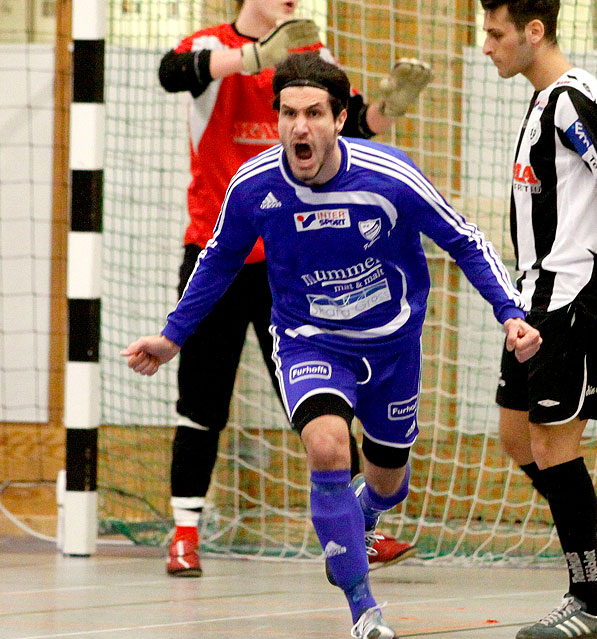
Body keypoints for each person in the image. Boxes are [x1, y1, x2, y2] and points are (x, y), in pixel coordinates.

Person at [123, 52, 541, 639]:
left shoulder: (390, 176)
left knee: (388, 483)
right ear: (278, 122)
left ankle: (358, 518)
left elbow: (464, 239)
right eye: (289, 114)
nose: (300, 127)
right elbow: (216, 262)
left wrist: (510, 312)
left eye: (314, 113)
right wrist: (172, 336)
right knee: (325, 446)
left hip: (392, 345)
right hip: (309, 341)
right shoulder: (254, 187)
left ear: (339, 118)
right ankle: (363, 611)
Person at [158, 0, 432, 577]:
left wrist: (386, 108)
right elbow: (171, 73)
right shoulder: (209, 43)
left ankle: (364, 527)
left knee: (324, 409)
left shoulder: (313, 50)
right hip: (221, 247)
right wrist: (256, 57)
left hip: (294, 255)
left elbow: (350, 129)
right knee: (203, 394)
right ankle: (184, 531)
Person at [480, 0, 597, 639]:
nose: (486, 45)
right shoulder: (539, 101)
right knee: (516, 437)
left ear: (534, 31)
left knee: (556, 446)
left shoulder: (574, 101)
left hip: (574, 303)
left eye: (496, 33)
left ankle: (588, 600)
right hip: (531, 301)